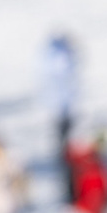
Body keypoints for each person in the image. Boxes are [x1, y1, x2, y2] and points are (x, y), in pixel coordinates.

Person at [38, 32, 80, 164]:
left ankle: (64, 155)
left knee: (64, 132)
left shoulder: (49, 57)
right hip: (61, 105)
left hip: (61, 104)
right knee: (62, 132)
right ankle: (64, 157)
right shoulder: (60, 58)